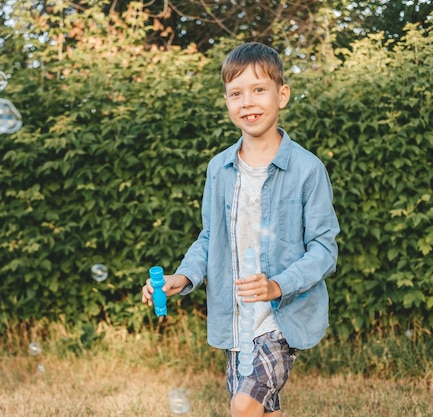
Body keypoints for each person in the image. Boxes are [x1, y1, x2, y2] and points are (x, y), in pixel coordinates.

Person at [141, 42, 340, 417]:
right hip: (235, 320)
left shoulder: (307, 170)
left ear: (282, 95)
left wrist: (278, 285)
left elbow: (324, 249)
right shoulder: (219, 169)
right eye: (236, 93)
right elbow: (209, 238)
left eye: (259, 90)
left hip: (282, 317)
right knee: (263, 410)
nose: (247, 102)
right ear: (227, 101)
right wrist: (182, 278)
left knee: (244, 406)